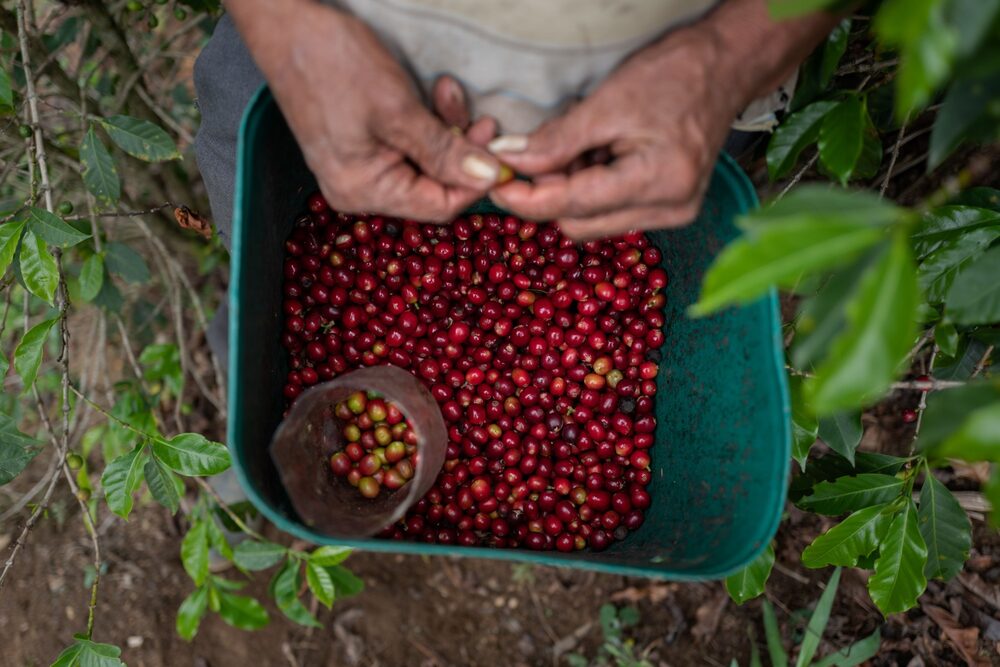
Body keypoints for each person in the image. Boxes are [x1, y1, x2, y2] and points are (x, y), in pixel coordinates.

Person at [194, 0, 840, 244]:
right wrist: (278, 23)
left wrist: (727, 58)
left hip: (670, 104)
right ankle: (242, 446)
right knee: (272, 276)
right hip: (307, 69)